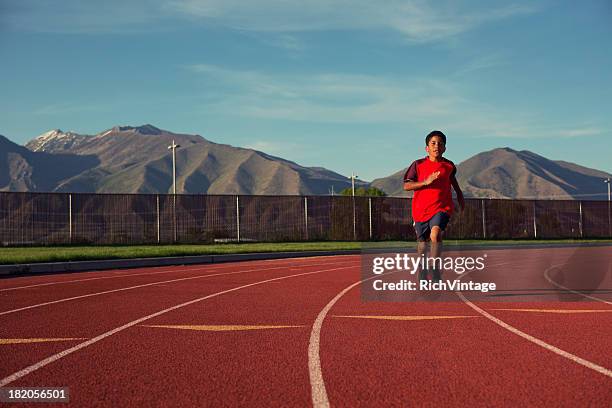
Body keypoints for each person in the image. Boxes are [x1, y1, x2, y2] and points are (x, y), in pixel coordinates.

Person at [403, 130, 464, 282]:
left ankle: (435, 267)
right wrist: (425, 182)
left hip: (442, 207)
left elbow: (454, 184)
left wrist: (460, 198)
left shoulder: (449, 166)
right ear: (427, 148)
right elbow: (406, 186)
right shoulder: (417, 165)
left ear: (444, 148)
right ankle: (422, 269)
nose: (437, 146)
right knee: (422, 246)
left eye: (440, 144)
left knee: (435, 234)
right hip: (420, 210)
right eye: (433, 143)